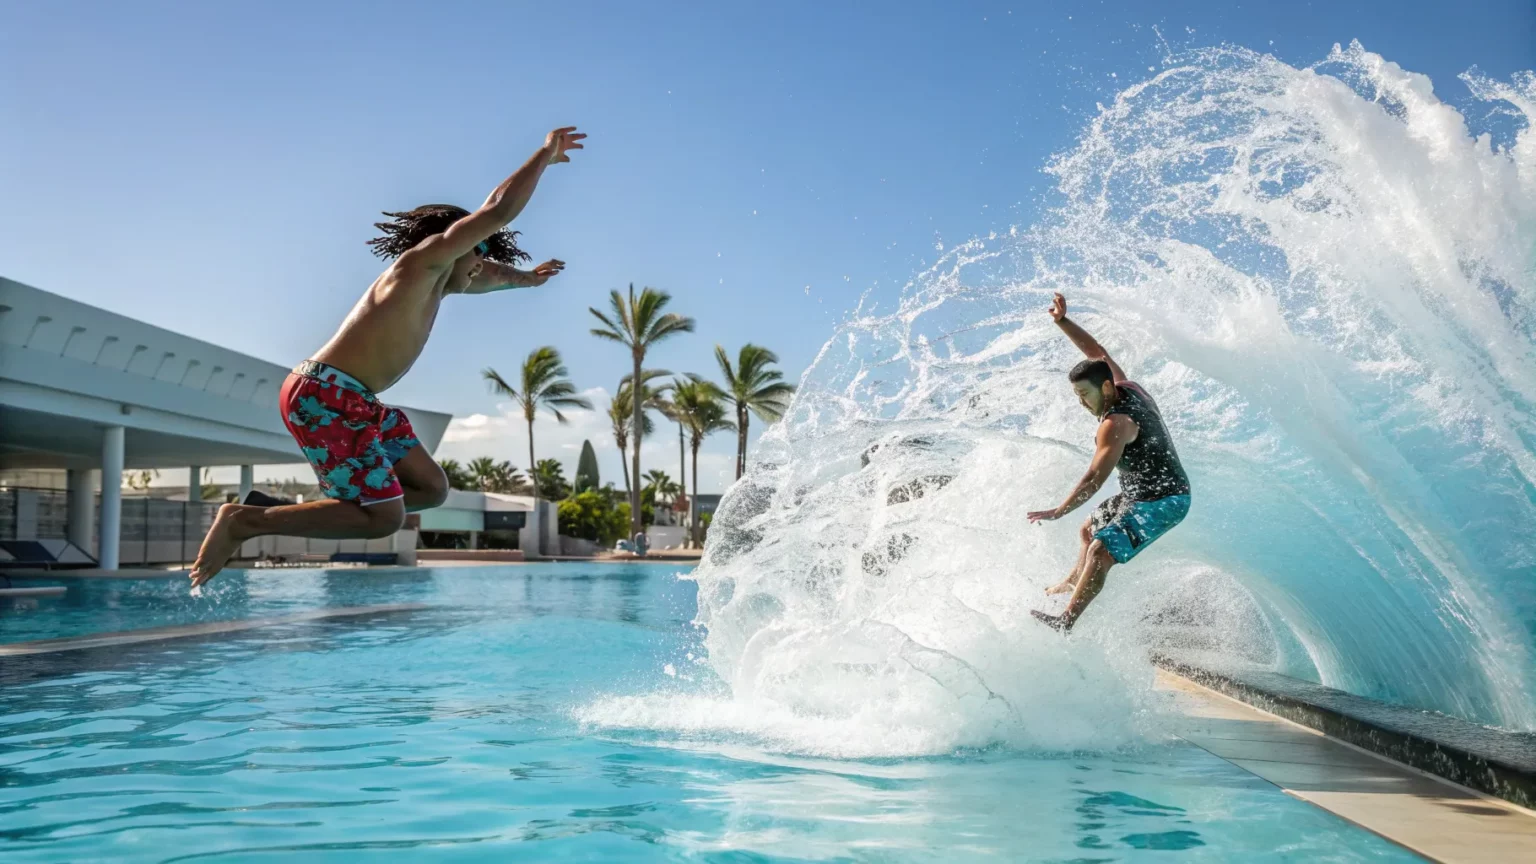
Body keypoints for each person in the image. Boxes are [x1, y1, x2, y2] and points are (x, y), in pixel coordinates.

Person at [189, 127, 586, 589]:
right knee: (382, 519)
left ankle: (283, 509)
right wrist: (543, 156)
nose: (483, 263)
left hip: (357, 400)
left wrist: (526, 280)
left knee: (432, 489)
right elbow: (496, 211)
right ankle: (244, 522)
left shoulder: (442, 284)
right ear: (452, 243)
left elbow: (490, 274)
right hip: (323, 394)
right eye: (477, 251)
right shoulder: (418, 267)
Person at [1027, 293, 1191, 631]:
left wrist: (1059, 509)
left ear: (1104, 387)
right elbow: (1096, 354)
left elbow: (1094, 479)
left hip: (1166, 500)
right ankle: (1072, 583)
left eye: (1085, 396)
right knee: (1088, 529)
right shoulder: (1126, 386)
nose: (1083, 404)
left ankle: (1066, 621)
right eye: (1078, 397)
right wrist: (1063, 322)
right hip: (1139, 494)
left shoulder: (1116, 424)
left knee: (1100, 551)